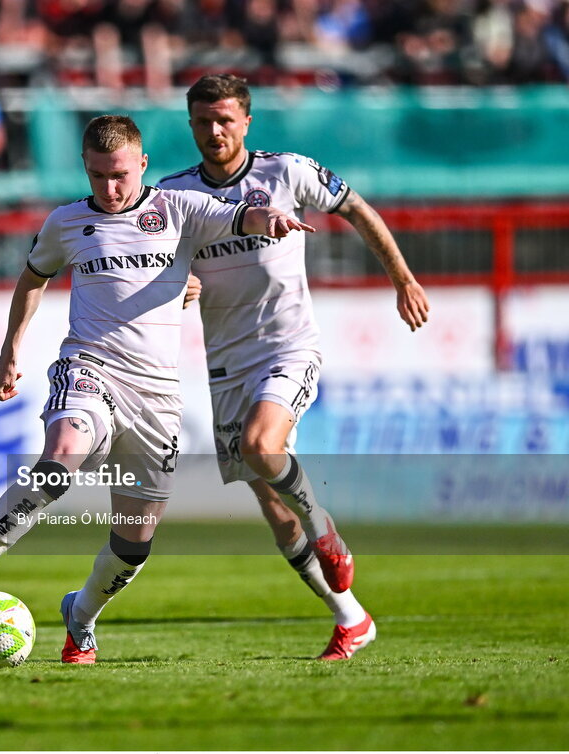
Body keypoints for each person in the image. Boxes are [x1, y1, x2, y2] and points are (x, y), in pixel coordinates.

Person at [0, 115, 313, 664]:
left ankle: (80, 617)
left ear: (142, 165)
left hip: (157, 398)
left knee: (133, 543)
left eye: (120, 174)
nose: (109, 188)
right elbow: (34, 275)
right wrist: (11, 349)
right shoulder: (66, 222)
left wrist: (266, 216)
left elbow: (237, 214)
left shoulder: (176, 208)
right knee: (60, 459)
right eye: (98, 175)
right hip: (89, 369)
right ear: (86, 168)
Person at [157, 74, 431, 660]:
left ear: (247, 121)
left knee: (262, 444)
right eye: (203, 121)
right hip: (226, 364)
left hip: (288, 348)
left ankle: (325, 528)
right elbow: (162, 263)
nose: (214, 131)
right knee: (274, 511)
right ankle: (352, 619)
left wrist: (402, 278)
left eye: (225, 119)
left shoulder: (287, 172)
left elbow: (357, 208)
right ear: (190, 124)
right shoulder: (173, 195)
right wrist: (180, 281)